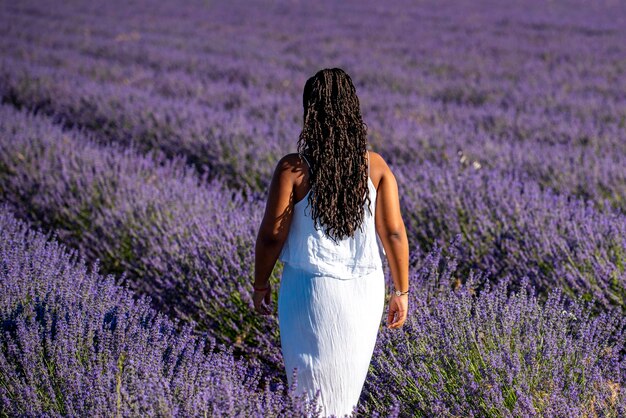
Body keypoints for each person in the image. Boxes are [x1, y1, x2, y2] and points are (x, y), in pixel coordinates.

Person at [252, 68, 409, 417]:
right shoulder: (376, 166)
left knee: (308, 395)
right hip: (364, 291)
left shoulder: (294, 169)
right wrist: (402, 291)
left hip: (310, 289)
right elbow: (394, 232)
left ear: (310, 113)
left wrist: (260, 283)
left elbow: (271, 236)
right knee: (344, 396)